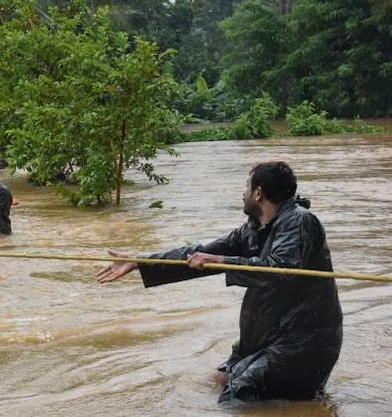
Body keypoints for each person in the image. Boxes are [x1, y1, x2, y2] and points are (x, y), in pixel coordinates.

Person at [95, 161, 342, 403]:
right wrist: (143, 262)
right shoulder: (255, 228)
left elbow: (281, 270)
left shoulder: (298, 221)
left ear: (258, 193)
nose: (242, 193)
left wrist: (221, 259)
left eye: (246, 186)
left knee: (238, 395)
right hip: (266, 338)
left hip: (302, 342)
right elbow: (200, 254)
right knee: (213, 382)